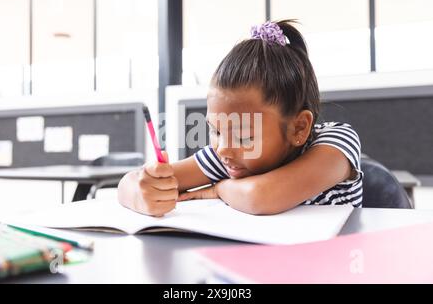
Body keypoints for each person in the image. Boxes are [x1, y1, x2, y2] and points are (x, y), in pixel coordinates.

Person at [118, 20, 363, 217]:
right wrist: (144, 191)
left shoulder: (337, 141)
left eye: (244, 136)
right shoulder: (230, 158)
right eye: (216, 131)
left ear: (299, 128)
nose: (223, 148)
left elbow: (262, 196)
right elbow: (129, 184)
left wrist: (218, 189)